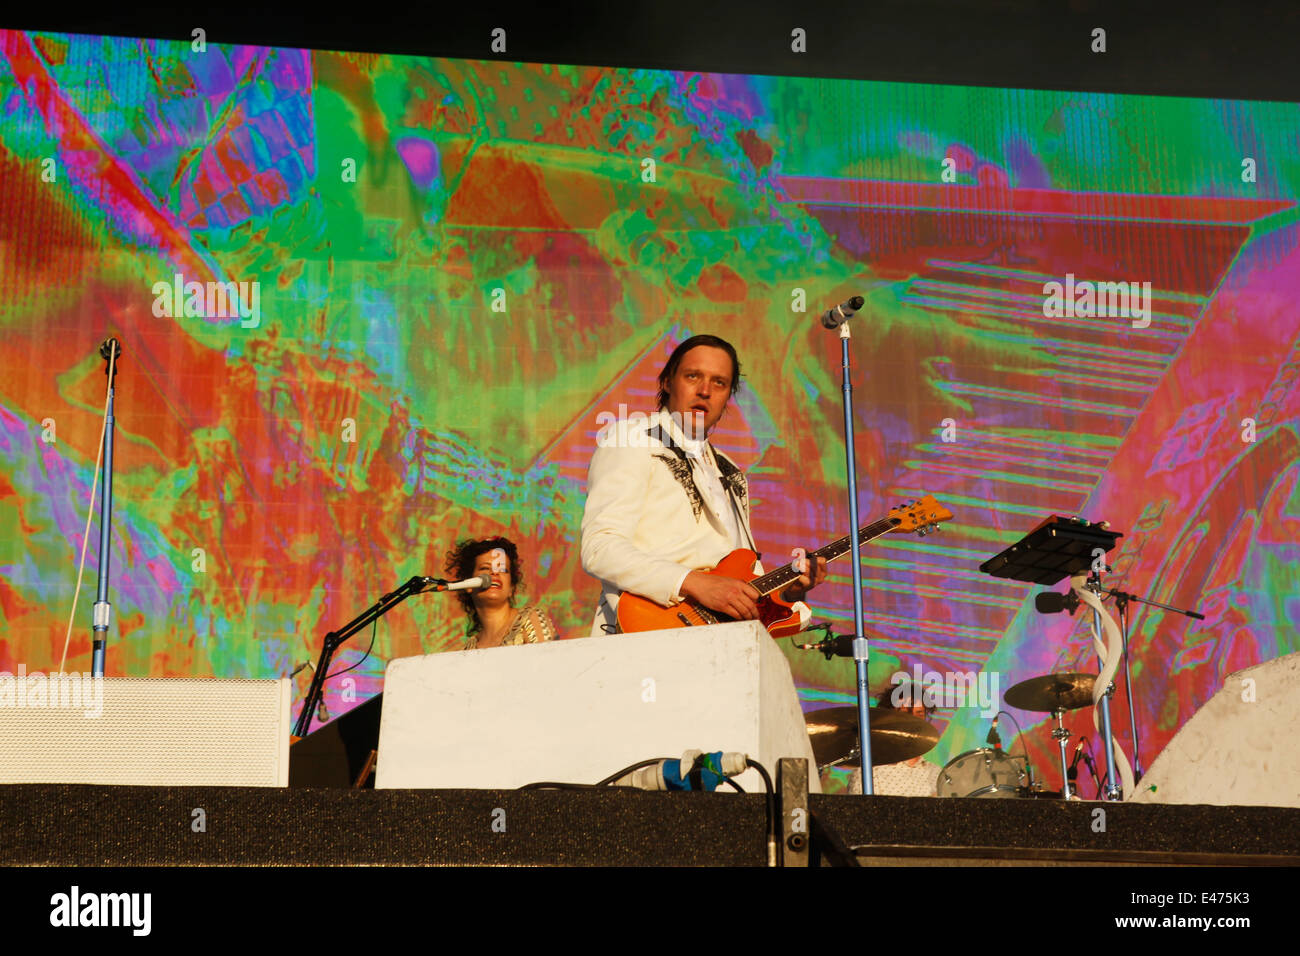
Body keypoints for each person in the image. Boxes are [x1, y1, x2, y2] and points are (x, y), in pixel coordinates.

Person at [580, 333, 827, 637]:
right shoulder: (632, 439)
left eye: (719, 383)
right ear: (668, 382)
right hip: (647, 636)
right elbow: (600, 548)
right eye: (693, 376)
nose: (705, 390)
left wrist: (788, 591)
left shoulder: (732, 471)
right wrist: (694, 583)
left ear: (728, 396)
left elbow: (741, 579)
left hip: (724, 649)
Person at [444, 536, 557, 649]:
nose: (494, 573)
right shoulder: (470, 649)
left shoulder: (530, 620)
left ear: (511, 588)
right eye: (485, 568)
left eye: (503, 569)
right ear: (468, 584)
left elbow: (548, 664)